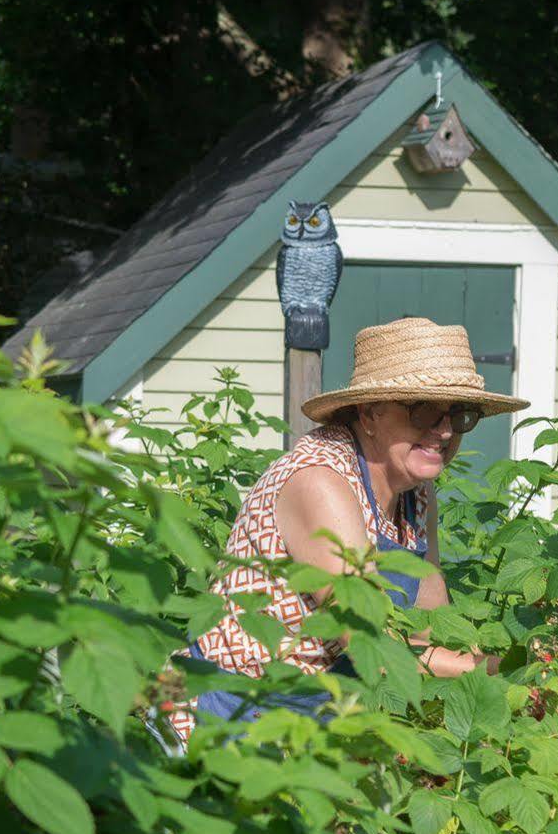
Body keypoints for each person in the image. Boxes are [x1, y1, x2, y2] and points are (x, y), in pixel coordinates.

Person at [169, 316, 527, 742]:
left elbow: (429, 626)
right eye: (424, 410)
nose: (445, 430)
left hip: (316, 722)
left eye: (460, 414)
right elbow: (371, 647)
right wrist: (497, 671)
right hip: (227, 715)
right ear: (370, 412)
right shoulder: (320, 481)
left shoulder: (417, 493)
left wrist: (499, 670)